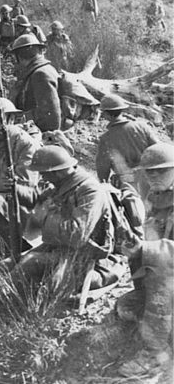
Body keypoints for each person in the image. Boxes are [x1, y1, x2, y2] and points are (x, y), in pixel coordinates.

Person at [13, 146, 122, 292]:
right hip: (61, 249)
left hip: (86, 257)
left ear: (56, 172)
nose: (42, 177)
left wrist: (44, 217)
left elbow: (77, 235)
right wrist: (14, 188)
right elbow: (38, 197)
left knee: (32, 264)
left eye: (44, 173)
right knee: (9, 263)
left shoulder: (89, 191)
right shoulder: (63, 184)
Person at [115, 143, 174, 377]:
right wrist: (135, 247)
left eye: (161, 171)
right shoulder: (157, 196)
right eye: (149, 172)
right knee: (126, 306)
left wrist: (147, 248)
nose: (153, 177)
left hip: (168, 275)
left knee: (159, 273)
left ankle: (155, 354)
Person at [0, 98, 42, 248]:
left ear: (11, 118)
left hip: (27, 201)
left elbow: (25, 183)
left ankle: (13, 247)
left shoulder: (26, 143)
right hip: (4, 195)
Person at [96, 94, 159, 196]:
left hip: (128, 185)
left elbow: (103, 166)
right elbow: (158, 150)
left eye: (103, 113)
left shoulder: (106, 138)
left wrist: (104, 184)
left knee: (131, 209)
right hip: (150, 178)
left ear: (108, 114)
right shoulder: (142, 126)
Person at [9, 33, 61, 132]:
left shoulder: (40, 74)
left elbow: (50, 117)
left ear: (19, 56)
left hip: (43, 135)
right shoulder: (41, 70)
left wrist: (20, 120)